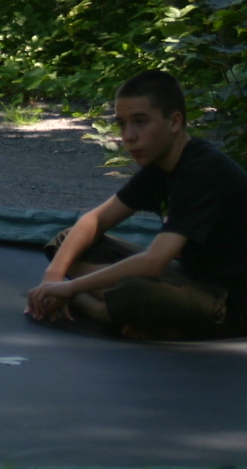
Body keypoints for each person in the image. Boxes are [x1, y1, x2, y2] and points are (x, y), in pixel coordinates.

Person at [26, 70, 247, 339]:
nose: (128, 136)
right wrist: (52, 278)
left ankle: (92, 305)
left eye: (140, 122)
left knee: (135, 293)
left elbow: (154, 262)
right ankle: (136, 315)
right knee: (67, 239)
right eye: (122, 124)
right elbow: (96, 220)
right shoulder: (160, 165)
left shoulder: (204, 171)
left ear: (175, 121)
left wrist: (72, 289)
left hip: (230, 301)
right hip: (188, 276)